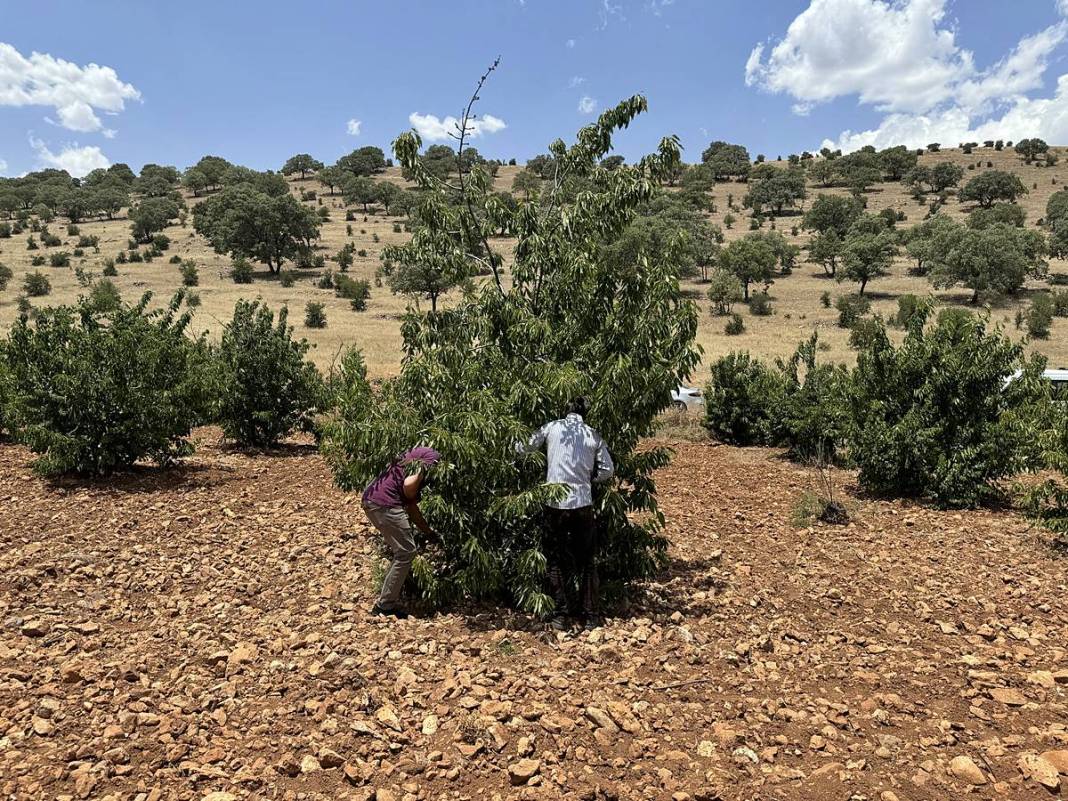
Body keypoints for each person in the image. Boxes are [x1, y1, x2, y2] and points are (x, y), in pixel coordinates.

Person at [517, 397, 614, 631]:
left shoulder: (552, 427)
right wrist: (589, 479)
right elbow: (608, 470)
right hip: (582, 503)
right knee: (588, 561)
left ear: (565, 411)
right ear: (584, 413)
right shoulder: (593, 434)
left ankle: (560, 615)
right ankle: (591, 617)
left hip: (555, 503)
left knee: (555, 560)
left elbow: (522, 448)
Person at [361, 446, 441, 618]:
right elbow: (409, 485)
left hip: (372, 499)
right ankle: (385, 605)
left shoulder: (414, 452)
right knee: (406, 552)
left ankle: (387, 601)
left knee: (403, 550)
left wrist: (428, 532)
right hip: (385, 504)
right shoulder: (433, 457)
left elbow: (411, 506)